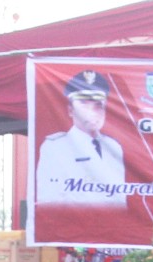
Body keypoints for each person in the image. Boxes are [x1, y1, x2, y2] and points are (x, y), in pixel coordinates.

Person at [35, 70, 128, 207]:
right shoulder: (55, 148)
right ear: (70, 111)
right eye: (84, 104)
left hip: (111, 225)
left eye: (98, 105)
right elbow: (49, 201)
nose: (92, 111)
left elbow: (120, 197)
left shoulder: (113, 146)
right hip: (74, 225)